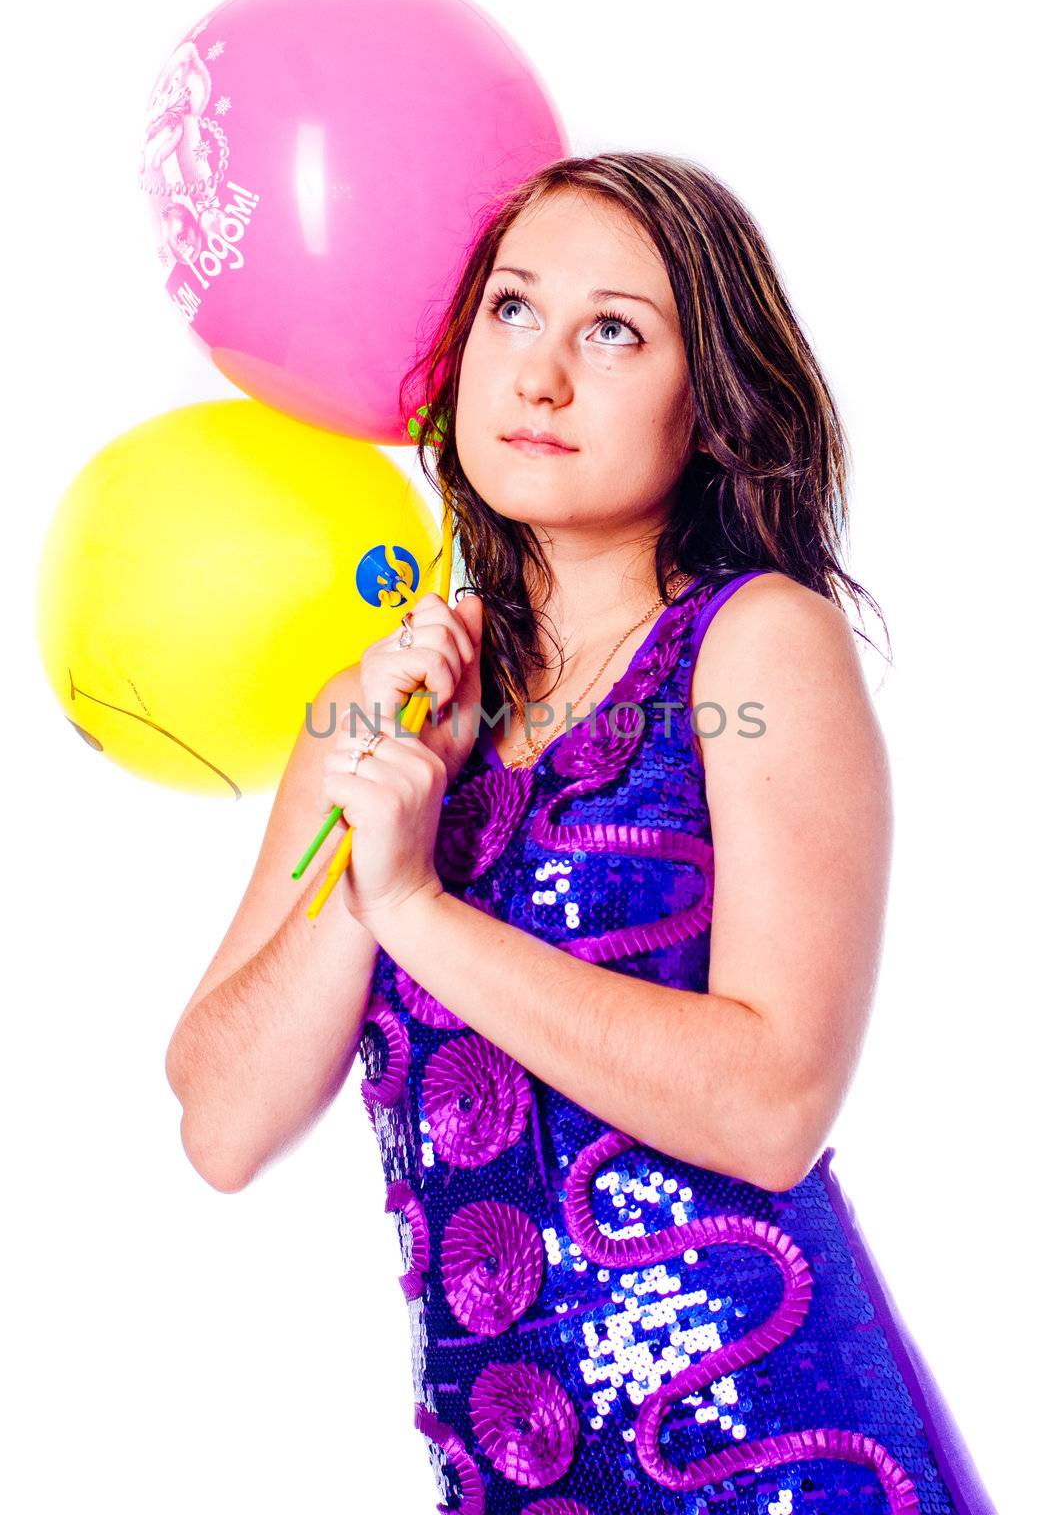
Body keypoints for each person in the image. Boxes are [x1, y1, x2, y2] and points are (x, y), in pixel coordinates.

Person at [165, 154, 997, 1514]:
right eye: (511, 311)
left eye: (613, 330)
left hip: (775, 1457)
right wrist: (370, 845)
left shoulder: (752, 648)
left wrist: (422, 905)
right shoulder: (380, 708)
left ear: (710, 398)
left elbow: (776, 1105)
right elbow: (223, 1123)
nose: (539, 377)